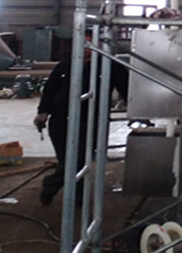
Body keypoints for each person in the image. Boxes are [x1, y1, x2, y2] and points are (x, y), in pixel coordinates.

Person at [33, 44, 128, 205]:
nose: (86, 48)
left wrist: (136, 111)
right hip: (61, 119)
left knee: (79, 159)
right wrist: (42, 112)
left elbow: (126, 89)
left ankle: (51, 186)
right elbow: (49, 90)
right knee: (66, 159)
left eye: (90, 44)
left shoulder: (111, 67)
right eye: (83, 44)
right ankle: (77, 197)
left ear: (99, 46)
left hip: (90, 121)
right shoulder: (65, 65)